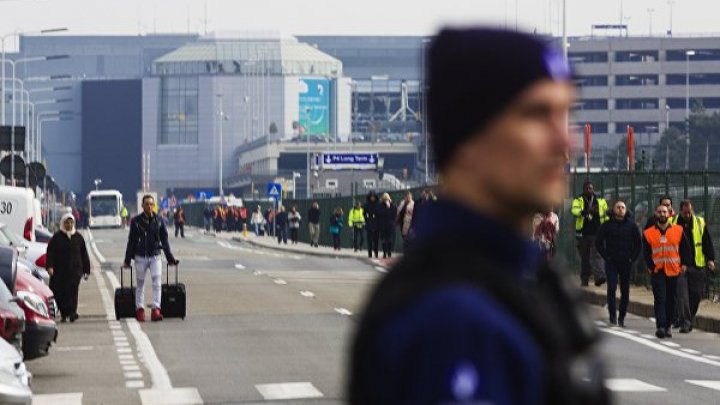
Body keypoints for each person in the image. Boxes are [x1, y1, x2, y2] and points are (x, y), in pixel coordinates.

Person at [350, 28, 609, 405]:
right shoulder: (452, 320)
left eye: (565, 114)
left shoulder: (519, 277)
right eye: (537, 114)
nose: (564, 142)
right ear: (469, 138)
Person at [124, 194, 179, 322]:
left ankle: (156, 309)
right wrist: (127, 260)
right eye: (146, 204)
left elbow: (164, 241)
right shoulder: (135, 221)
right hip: (140, 257)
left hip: (155, 256)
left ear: (154, 206)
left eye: (151, 204)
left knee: (156, 282)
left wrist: (170, 258)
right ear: (142, 206)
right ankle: (140, 309)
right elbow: (131, 241)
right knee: (140, 284)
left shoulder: (159, 220)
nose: (149, 206)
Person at [643, 203, 693, 339]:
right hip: (657, 271)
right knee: (660, 299)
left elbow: (685, 249)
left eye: (665, 212)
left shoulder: (678, 230)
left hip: (673, 270)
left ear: (669, 214)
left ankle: (668, 326)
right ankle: (661, 326)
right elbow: (646, 252)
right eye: (659, 212)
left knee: (672, 300)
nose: (662, 214)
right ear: (655, 214)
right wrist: (650, 266)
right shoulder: (648, 233)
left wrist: (684, 264)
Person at [671, 200, 715, 333]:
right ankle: (686, 322)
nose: (688, 214)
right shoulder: (673, 223)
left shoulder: (699, 222)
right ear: (680, 211)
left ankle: (689, 318)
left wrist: (710, 259)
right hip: (680, 266)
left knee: (696, 295)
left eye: (690, 212)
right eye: (685, 212)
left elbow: (707, 241)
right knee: (683, 296)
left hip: (697, 265)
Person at [595, 200, 642, 327]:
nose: (620, 209)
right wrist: (606, 256)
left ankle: (621, 317)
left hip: (626, 262)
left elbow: (638, 244)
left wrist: (632, 258)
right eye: (618, 207)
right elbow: (598, 242)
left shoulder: (632, 226)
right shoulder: (607, 225)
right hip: (612, 262)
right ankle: (612, 316)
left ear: (626, 210)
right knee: (611, 287)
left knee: (625, 291)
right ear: (613, 210)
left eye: (623, 207)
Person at [46, 214, 91, 323]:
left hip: (75, 271)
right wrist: (50, 266)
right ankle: (64, 313)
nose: (69, 225)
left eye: (71, 223)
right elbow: (50, 253)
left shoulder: (78, 237)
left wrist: (86, 270)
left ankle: (72, 312)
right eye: (67, 222)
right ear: (63, 223)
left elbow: (84, 254)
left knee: (73, 292)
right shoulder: (56, 238)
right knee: (61, 292)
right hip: (60, 272)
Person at [571, 181, 608, 287]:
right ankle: (584, 279)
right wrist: (586, 211)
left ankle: (599, 277)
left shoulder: (600, 200)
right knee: (585, 257)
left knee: (598, 255)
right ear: (583, 190)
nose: (589, 190)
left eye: (591, 188)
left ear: (593, 189)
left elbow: (605, 214)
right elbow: (574, 211)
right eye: (587, 188)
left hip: (597, 232)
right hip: (583, 234)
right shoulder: (579, 200)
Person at [377, 193, 396, 259]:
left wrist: (389, 207)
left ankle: (389, 252)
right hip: (383, 225)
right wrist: (387, 209)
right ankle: (385, 252)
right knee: (384, 239)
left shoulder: (393, 205)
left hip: (390, 225)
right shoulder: (380, 205)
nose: (386, 200)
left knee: (390, 239)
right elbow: (379, 214)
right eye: (384, 199)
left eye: (387, 199)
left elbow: (394, 214)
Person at [363, 192, 380, 258]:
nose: (372, 198)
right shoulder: (366, 204)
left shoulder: (378, 204)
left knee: (376, 240)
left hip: (377, 223)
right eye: (371, 197)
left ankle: (376, 252)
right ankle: (369, 253)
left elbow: (380, 212)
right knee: (369, 240)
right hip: (369, 222)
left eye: (373, 197)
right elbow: (364, 213)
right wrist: (366, 219)